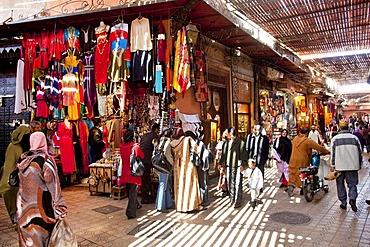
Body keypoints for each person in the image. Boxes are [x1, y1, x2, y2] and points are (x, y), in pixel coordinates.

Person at [17, 132, 67, 246]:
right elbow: (54, 186)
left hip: (23, 207)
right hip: (42, 208)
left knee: (28, 239)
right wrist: (59, 209)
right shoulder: (46, 161)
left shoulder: (23, 160)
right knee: (43, 238)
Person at [0, 125, 30, 224]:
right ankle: (14, 215)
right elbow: (9, 165)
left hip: (24, 177)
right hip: (13, 178)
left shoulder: (26, 146)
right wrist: (7, 182)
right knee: (11, 196)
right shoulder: (12, 148)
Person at [287, 127, 329, 197]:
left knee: (293, 173)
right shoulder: (307, 141)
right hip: (302, 159)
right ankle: (302, 187)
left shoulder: (295, 139)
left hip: (293, 159)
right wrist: (327, 151)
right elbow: (318, 147)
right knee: (302, 173)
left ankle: (292, 185)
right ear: (307, 133)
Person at [331, 120, 362, 212]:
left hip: (339, 166)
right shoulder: (354, 138)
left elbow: (333, 154)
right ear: (348, 127)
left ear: (339, 128)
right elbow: (360, 152)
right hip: (352, 166)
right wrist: (359, 164)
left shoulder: (335, 139)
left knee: (340, 184)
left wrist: (333, 165)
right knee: (352, 184)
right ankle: (352, 198)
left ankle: (343, 203)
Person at [171, 129, 203, 212]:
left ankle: (180, 206)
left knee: (180, 187)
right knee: (190, 186)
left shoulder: (172, 143)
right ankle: (191, 206)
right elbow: (198, 150)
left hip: (177, 167)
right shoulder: (188, 139)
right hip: (188, 165)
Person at [218, 127, 248, 208]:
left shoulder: (240, 143)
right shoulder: (226, 143)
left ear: (230, 134)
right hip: (229, 166)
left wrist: (242, 164)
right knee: (230, 183)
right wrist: (220, 163)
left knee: (237, 183)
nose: (225, 135)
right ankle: (232, 199)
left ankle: (238, 200)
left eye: (227, 133)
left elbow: (244, 155)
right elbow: (223, 155)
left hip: (237, 166)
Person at [119, 129, 145, 219]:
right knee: (133, 192)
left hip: (125, 172)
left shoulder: (122, 146)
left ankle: (137, 205)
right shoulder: (135, 147)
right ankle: (130, 212)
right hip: (133, 172)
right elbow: (142, 156)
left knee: (130, 191)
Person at [153, 127, 174, 212]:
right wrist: (172, 164)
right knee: (162, 185)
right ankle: (160, 206)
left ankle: (169, 203)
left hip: (157, 165)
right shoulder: (168, 143)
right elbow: (167, 155)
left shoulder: (159, 140)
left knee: (165, 185)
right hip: (164, 166)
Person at [139, 123, 160, 204]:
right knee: (146, 178)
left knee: (144, 178)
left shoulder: (145, 135)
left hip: (141, 158)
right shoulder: (155, 137)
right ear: (156, 129)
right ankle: (145, 197)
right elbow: (156, 148)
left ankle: (145, 195)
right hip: (147, 159)